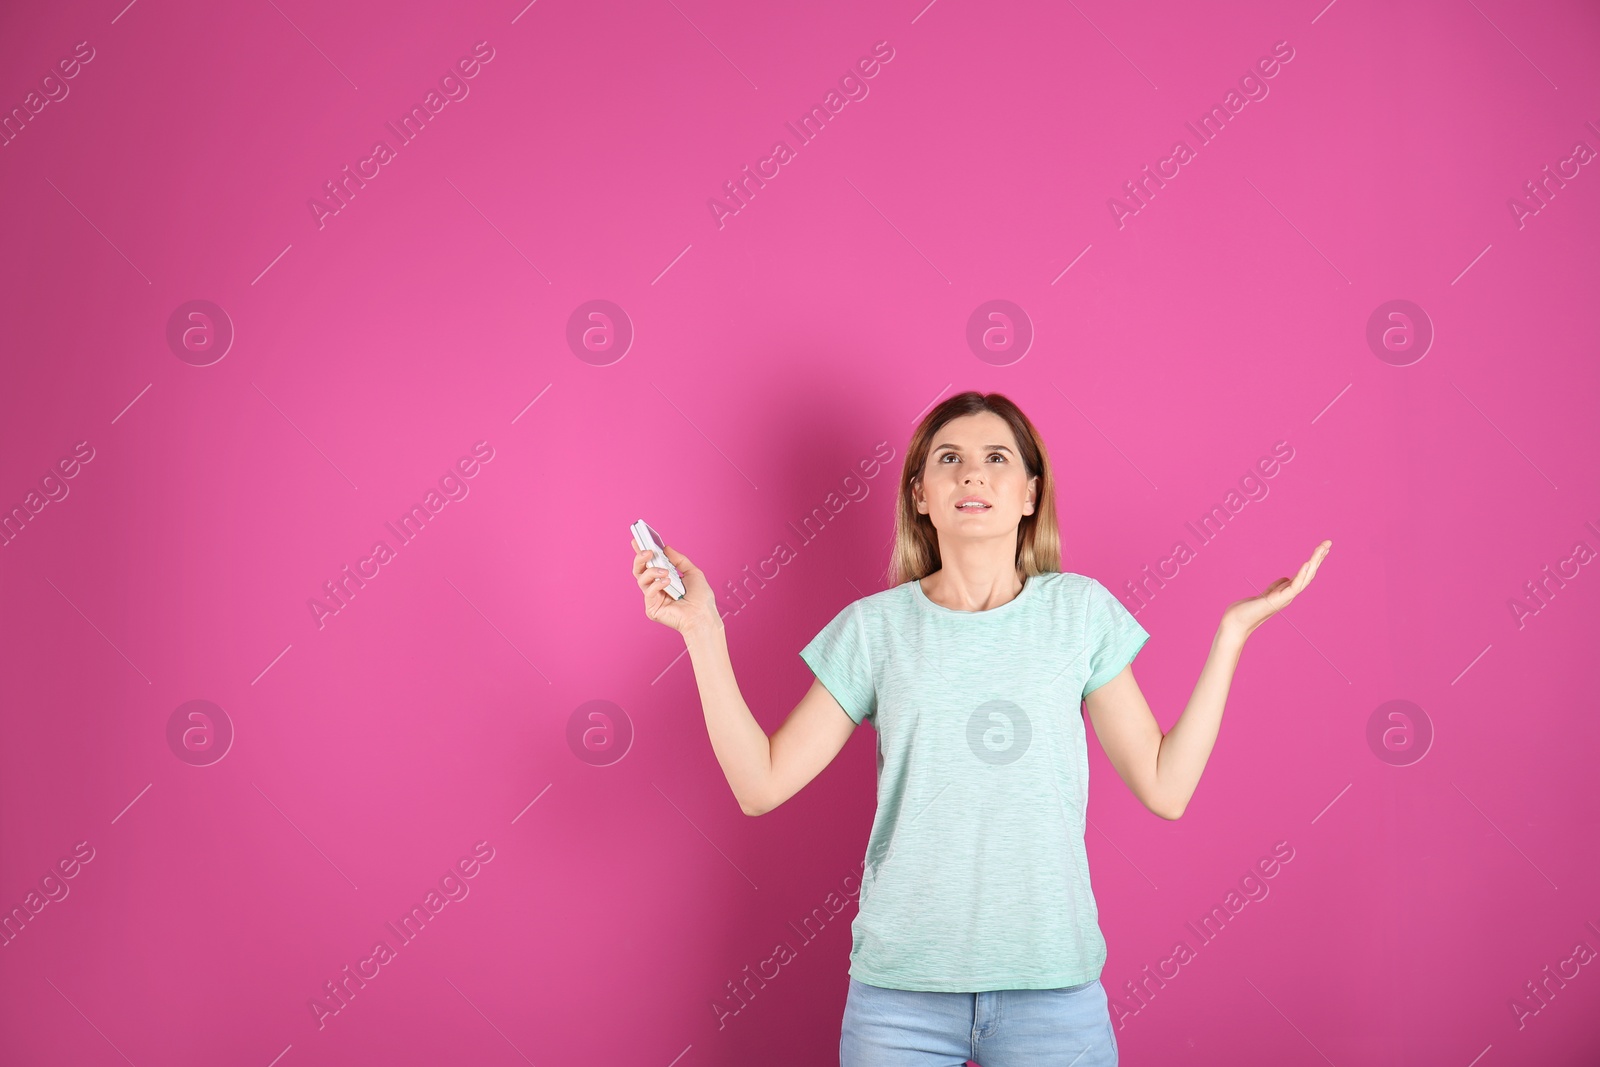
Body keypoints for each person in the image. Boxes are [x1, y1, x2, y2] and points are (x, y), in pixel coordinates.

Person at [630, 390, 1331, 1066]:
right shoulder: (876, 628)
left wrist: (1233, 633)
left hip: (1053, 994)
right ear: (920, 495)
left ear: (1029, 494)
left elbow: (1165, 785)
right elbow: (760, 782)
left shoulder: (1079, 614)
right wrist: (703, 630)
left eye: (998, 457)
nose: (973, 470)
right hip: (899, 1000)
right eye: (949, 458)